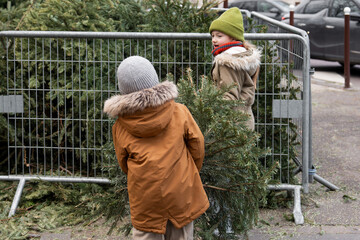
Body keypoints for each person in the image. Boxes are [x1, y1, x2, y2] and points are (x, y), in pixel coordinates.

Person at [103, 56, 209, 240]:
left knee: (147, 234)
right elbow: (197, 146)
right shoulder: (180, 111)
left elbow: (123, 163)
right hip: (181, 191)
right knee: (182, 234)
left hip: (145, 196)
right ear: (154, 81)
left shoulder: (120, 126)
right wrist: (190, 173)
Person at [209, 7, 261, 130]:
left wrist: (208, 108)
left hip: (231, 124)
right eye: (212, 35)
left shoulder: (228, 62)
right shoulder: (242, 55)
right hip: (244, 119)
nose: (214, 40)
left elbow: (229, 96)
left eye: (219, 35)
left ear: (233, 37)